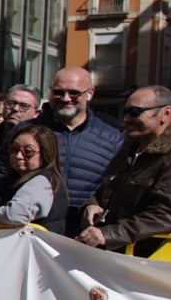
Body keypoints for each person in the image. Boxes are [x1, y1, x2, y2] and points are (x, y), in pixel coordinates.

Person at [78, 85, 171, 255]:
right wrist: (92, 205)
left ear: (166, 114)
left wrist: (109, 234)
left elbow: (170, 216)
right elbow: (105, 190)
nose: (126, 119)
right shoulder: (130, 148)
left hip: (150, 261)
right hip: (115, 256)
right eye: (124, 112)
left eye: (135, 112)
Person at [40, 67, 125, 234]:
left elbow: (117, 187)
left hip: (86, 234)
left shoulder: (112, 138)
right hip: (34, 232)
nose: (65, 98)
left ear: (90, 94)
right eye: (58, 92)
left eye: (74, 93)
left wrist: (94, 205)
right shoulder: (27, 131)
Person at [0, 125, 65, 230]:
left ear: (45, 153)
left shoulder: (41, 181)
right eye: (14, 150)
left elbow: (15, 215)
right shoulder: (16, 180)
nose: (18, 156)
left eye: (28, 151)